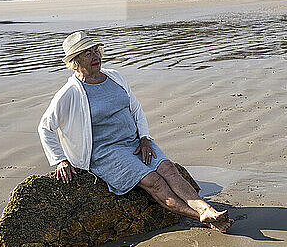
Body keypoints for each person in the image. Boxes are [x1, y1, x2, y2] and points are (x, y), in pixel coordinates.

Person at [38, 31, 233, 232]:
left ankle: (208, 209)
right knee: (155, 181)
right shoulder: (70, 93)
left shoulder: (115, 77)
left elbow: (136, 109)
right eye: (87, 53)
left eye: (96, 50)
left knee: (169, 170)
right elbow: (45, 127)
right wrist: (60, 160)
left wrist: (145, 138)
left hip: (135, 142)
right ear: (75, 61)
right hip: (106, 152)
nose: (96, 56)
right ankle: (204, 217)